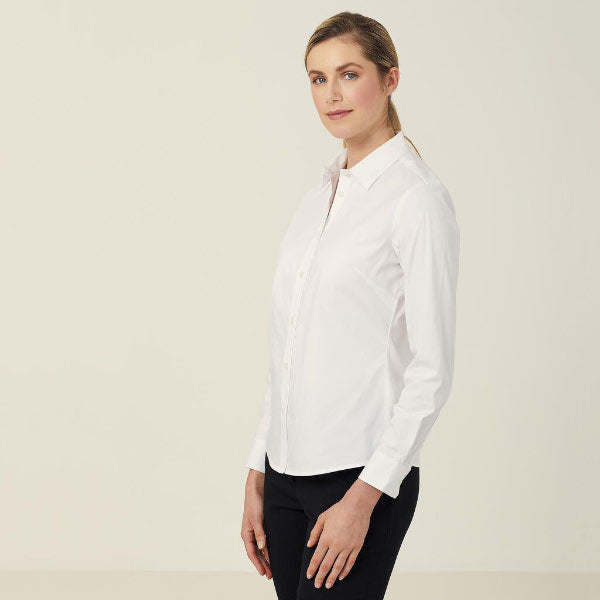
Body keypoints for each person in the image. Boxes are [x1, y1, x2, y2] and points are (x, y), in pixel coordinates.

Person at [241, 11, 460, 600]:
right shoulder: (319, 196)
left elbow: (433, 370)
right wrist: (258, 471)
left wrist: (365, 496)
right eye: (317, 79)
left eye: (349, 73)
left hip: (357, 477)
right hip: (284, 475)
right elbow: (287, 350)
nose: (331, 94)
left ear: (390, 79)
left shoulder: (416, 198)